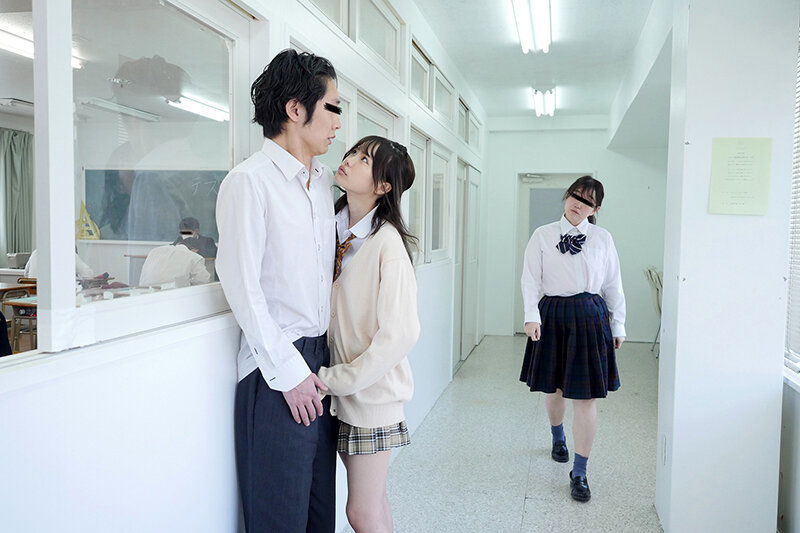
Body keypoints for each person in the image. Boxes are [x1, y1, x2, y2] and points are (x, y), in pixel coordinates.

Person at [215, 49, 341, 533]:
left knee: (318, 514)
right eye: (331, 108)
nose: (337, 122)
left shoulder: (322, 182)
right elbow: (242, 287)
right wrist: (289, 373)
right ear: (295, 109)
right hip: (276, 368)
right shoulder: (249, 182)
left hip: (320, 358)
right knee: (279, 518)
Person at [317, 136, 420, 533]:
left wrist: (337, 380)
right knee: (374, 502)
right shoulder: (331, 226)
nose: (349, 159)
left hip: (371, 397)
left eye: (364, 159)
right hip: (344, 398)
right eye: (354, 153)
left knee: (361, 512)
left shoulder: (386, 244)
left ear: (383, 186)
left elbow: (401, 333)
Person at [519, 175, 626, 503]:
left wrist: (618, 325)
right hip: (552, 313)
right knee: (554, 389)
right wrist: (531, 316)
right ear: (566, 197)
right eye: (575, 196)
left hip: (590, 316)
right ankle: (557, 437)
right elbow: (529, 279)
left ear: (596, 209)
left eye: (587, 201)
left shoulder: (603, 238)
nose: (578, 204)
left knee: (586, 397)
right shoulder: (543, 235)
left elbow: (613, 284)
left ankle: (579, 472)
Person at [138, 238, 211, 288]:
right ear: (196, 250)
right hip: (172, 297)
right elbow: (203, 282)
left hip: (143, 292)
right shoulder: (194, 257)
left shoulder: (155, 251)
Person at [24, 249, 94, 279]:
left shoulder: (36, 252)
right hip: (58, 296)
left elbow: (26, 274)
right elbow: (88, 273)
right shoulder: (67, 252)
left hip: (34, 295)